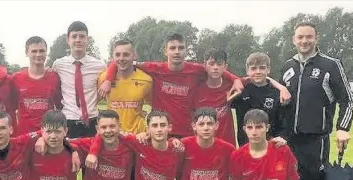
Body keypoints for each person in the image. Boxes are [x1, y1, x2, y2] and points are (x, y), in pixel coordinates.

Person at [99, 33, 244, 139]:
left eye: (181, 48)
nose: (176, 51)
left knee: (184, 178)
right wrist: (108, 79)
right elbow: (122, 61)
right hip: (160, 130)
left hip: (187, 132)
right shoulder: (155, 68)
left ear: (186, 50)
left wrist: (236, 79)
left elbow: (215, 69)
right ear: (165, 51)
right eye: (172, 48)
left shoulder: (195, 70)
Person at [279, 22, 353, 180]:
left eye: (309, 37)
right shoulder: (288, 67)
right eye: (300, 37)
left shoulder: (330, 65)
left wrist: (342, 128)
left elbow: (347, 100)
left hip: (316, 142)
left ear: (316, 38)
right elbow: (279, 102)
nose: (304, 41)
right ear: (293, 39)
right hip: (290, 143)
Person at [52, 21, 106, 137]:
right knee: (70, 154)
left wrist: (108, 80)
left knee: (92, 154)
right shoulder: (58, 65)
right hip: (68, 120)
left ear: (88, 39)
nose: (78, 40)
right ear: (68, 40)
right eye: (74, 36)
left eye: (82, 36)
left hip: (92, 120)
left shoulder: (99, 66)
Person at [232, 52, 288, 147]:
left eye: (262, 68)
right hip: (246, 146)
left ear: (268, 69)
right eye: (253, 68)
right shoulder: (240, 90)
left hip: (271, 146)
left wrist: (281, 138)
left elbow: (283, 122)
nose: (258, 71)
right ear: (247, 71)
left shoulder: (277, 93)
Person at [10, 36, 62, 135]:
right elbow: (11, 106)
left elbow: (59, 106)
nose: (38, 54)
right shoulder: (16, 79)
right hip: (24, 136)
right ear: (27, 53)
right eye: (34, 51)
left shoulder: (55, 78)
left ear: (46, 52)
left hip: (48, 135)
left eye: (42, 51)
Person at [98, 39, 152, 134]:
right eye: (117, 55)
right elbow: (93, 101)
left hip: (137, 136)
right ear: (113, 57)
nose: (121, 58)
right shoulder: (104, 78)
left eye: (126, 54)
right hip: (113, 135)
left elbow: (155, 107)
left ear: (134, 55)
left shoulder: (146, 80)